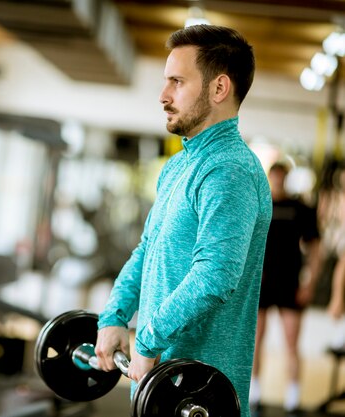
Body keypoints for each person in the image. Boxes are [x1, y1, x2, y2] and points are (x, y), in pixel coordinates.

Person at [93, 24, 272, 417]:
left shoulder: (230, 171)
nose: (163, 95)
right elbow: (147, 250)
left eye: (177, 82)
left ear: (219, 88)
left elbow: (215, 275)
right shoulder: (178, 167)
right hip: (158, 386)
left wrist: (147, 341)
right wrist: (114, 316)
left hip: (200, 394)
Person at [249, 162, 322, 411]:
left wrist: (309, 283)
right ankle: (254, 391)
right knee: (255, 340)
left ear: (287, 179)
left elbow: (315, 249)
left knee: (292, 343)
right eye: (275, 177)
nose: (278, 181)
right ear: (270, 178)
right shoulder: (259, 205)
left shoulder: (300, 208)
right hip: (262, 284)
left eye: (282, 177)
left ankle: (293, 396)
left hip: (290, 284)